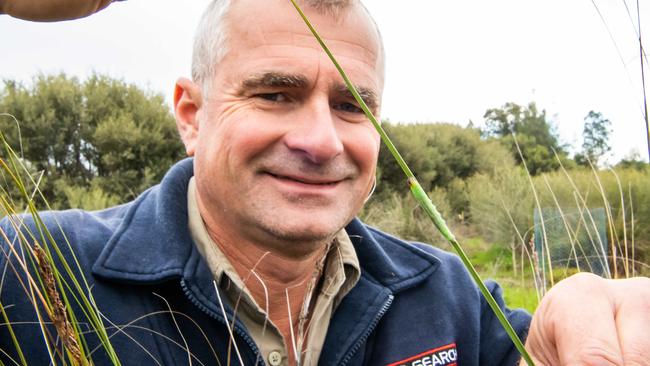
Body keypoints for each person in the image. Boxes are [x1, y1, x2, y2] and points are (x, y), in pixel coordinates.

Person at [1, 0, 649, 365]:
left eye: (352, 106)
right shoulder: (29, 271)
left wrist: (586, 316)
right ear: (191, 115)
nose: (321, 140)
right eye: (276, 94)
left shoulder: (451, 301)